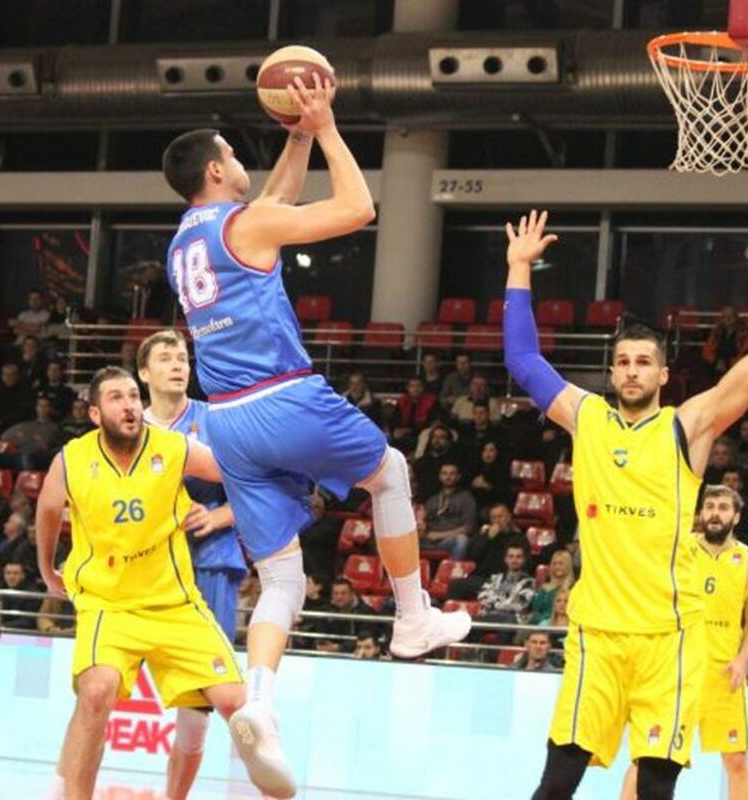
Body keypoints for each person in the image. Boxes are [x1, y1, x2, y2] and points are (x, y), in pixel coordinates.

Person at [160, 74, 469, 785]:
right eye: (232, 152)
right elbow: (359, 207)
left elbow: (272, 202)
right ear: (216, 170)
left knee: (281, 577)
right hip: (283, 397)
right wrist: (326, 126)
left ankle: (260, 704)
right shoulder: (246, 225)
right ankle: (412, 616)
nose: (241, 160)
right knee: (390, 472)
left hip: (227, 418)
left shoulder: (185, 241)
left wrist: (296, 136)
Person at [503, 206, 748, 799]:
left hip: (669, 640)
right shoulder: (586, 417)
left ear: (662, 374)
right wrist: (519, 268)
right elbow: (523, 361)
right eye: (623, 362)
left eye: (643, 363)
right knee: (557, 782)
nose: (632, 372)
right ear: (612, 372)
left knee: (656, 788)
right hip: (597, 635)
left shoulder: (688, 426)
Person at [35, 367, 289, 800]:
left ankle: (269, 773)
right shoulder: (72, 459)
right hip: (109, 605)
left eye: (134, 396)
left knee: (237, 704)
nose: (129, 406)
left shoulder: (173, 447)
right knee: (95, 693)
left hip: (175, 604)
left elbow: (240, 475)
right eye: (116, 398)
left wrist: (221, 515)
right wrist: (46, 568)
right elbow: (46, 508)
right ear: (95, 413)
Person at [137, 330, 251, 800]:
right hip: (139, 572)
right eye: (166, 358)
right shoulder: (128, 428)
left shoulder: (215, 420)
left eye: (183, 358)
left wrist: (220, 515)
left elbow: (261, 486)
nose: (177, 365)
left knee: (204, 698)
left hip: (207, 561)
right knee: (99, 686)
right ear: (144, 372)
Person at [621, 485, 748, 800]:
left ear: (736, 517)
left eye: (723, 508)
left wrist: (742, 660)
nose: (715, 513)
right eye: (710, 506)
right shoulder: (678, 552)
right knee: (649, 755)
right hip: (674, 670)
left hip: (722, 673)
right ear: (701, 513)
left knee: (736, 759)